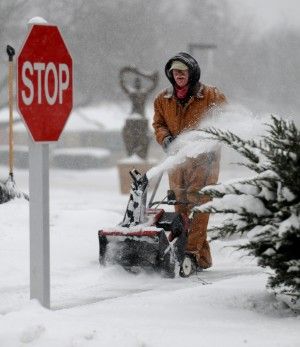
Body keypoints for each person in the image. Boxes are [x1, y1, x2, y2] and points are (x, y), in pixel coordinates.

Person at [152, 52, 226, 270]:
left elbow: (225, 120)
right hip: (176, 162)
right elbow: (158, 124)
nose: (179, 75)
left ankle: (190, 253)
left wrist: (207, 139)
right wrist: (165, 139)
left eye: (183, 71)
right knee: (180, 207)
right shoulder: (163, 99)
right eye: (175, 72)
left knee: (199, 206)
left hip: (205, 161)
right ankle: (202, 258)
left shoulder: (211, 95)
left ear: (191, 73)